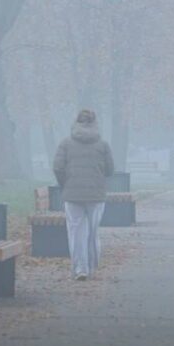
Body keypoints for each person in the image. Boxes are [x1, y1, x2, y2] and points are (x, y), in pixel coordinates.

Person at [53, 109, 115, 280]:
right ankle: (93, 265)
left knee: (76, 232)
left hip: (72, 195)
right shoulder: (103, 145)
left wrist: (65, 184)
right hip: (96, 195)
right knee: (93, 231)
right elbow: (110, 170)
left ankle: (81, 268)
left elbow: (58, 167)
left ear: (76, 122)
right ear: (95, 123)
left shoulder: (65, 144)